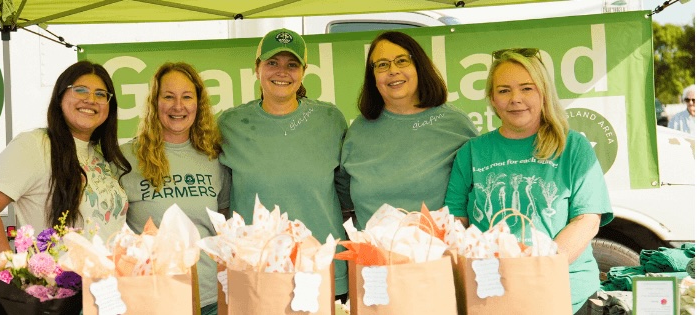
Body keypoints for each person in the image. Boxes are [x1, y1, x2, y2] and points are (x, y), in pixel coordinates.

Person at [444, 48, 614, 314]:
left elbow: (587, 220)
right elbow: (455, 221)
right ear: (491, 98)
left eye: (526, 88)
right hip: (491, 295)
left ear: (543, 93)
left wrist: (535, 272)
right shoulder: (472, 152)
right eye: (503, 91)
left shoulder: (573, 146)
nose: (515, 99)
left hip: (565, 293)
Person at [217, 28, 350, 299]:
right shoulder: (229, 125)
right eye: (272, 63)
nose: (282, 72)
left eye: (292, 65)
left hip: (322, 271)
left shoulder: (330, 119)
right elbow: (222, 199)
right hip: (256, 272)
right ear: (257, 69)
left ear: (303, 71)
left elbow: (346, 195)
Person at [0, 60, 132, 260]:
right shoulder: (35, 145)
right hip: (61, 288)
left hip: (108, 287)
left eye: (100, 94)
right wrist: (14, 273)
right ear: (60, 97)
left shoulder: (102, 155)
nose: (91, 99)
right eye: (80, 90)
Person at [118, 62, 229, 315]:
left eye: (187, 97)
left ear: (198, 104)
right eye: (168, 96)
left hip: (209, 297)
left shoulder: (214, 158)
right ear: (154, 103)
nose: (178, 106)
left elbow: (223, 227)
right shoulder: (125, 159)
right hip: (152, 298)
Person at [340, 31, 478, 229]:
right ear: (372, 76)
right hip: (374, 258)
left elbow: (477, 194)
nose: (393, 70)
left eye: (402, 61)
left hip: (438, 257)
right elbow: (345, 201)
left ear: (419, 66)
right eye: (382, 65)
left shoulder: (455, 123)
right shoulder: (358, 131)